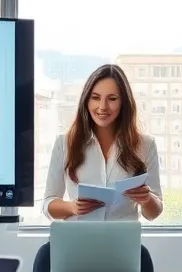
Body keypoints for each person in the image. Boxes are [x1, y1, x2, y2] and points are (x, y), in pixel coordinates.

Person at [42, 64, 162, 223]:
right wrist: (72, 207)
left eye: (112, 99)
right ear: (86, 100)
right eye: (95, 97)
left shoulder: (145, 144)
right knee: (45, 250)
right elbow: (48, 204)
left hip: (122, 241)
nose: (102, 107)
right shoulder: (64, 143)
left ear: (123, 103)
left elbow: (153, 213)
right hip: (78, 240)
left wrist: (147, 199)